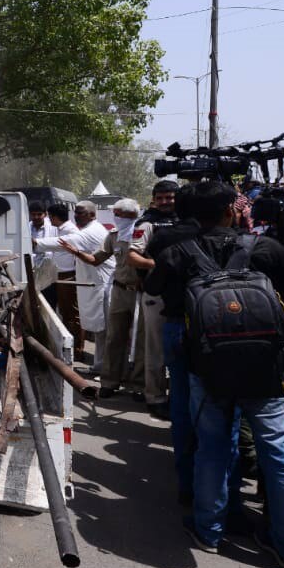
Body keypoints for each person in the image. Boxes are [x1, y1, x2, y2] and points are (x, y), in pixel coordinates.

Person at [144, 180, 284, 568]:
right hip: (266, 366)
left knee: (213, 447)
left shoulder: (177, 252)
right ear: (230, 211)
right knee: (278, 453)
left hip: (208, 365)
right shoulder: (264, 248)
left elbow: (153, 287)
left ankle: (209, 531)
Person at [62, 199, 141, 398]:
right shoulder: (113, 236)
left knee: (139, 339)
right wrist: (76, 252)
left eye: (120, 214)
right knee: (114, 337)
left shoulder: (143, 232)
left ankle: (138, 384)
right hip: (119, 290)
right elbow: (96, 259)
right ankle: (110, 381)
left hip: (141, 292)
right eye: (116, 214)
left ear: (132, 215)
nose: (117, 218)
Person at [128, 179, 181, 420]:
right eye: (160, 198)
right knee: (156, 348)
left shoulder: (187, 220)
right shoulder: (147, 223)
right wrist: (161, 266)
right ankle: (155, 397)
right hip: (156, 293)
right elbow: (133, 257)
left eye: (169, 197)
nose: (164, 202)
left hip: (183, 293)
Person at [42, 201, 114, 376]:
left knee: (105, 330)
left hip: (104, 286)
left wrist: (34, 242)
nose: (76, 216)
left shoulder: (91, 231)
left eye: (80, 213)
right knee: (100, 330)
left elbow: (64, 243)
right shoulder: (86, 229)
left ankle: (107, 370)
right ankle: (100, 366)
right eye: (76, 212)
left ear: (92, 215)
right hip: (94, 284)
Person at [37, 202, 82, 348]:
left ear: (55, 217)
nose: (49, 220)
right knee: (63, 311)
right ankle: (67, 345)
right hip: (58, 274)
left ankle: (77, 348)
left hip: (68, 274)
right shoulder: (60, 229)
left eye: (50, 217)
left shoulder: (70, 230)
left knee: (71, 313)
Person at [29, 200, 59, 304]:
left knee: (49, 301)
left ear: (45, 214)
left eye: (39, 214)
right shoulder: (26, 228)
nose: (36, 217)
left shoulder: (53, 228)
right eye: (33, 214)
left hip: (48, 271)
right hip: (31, 270)